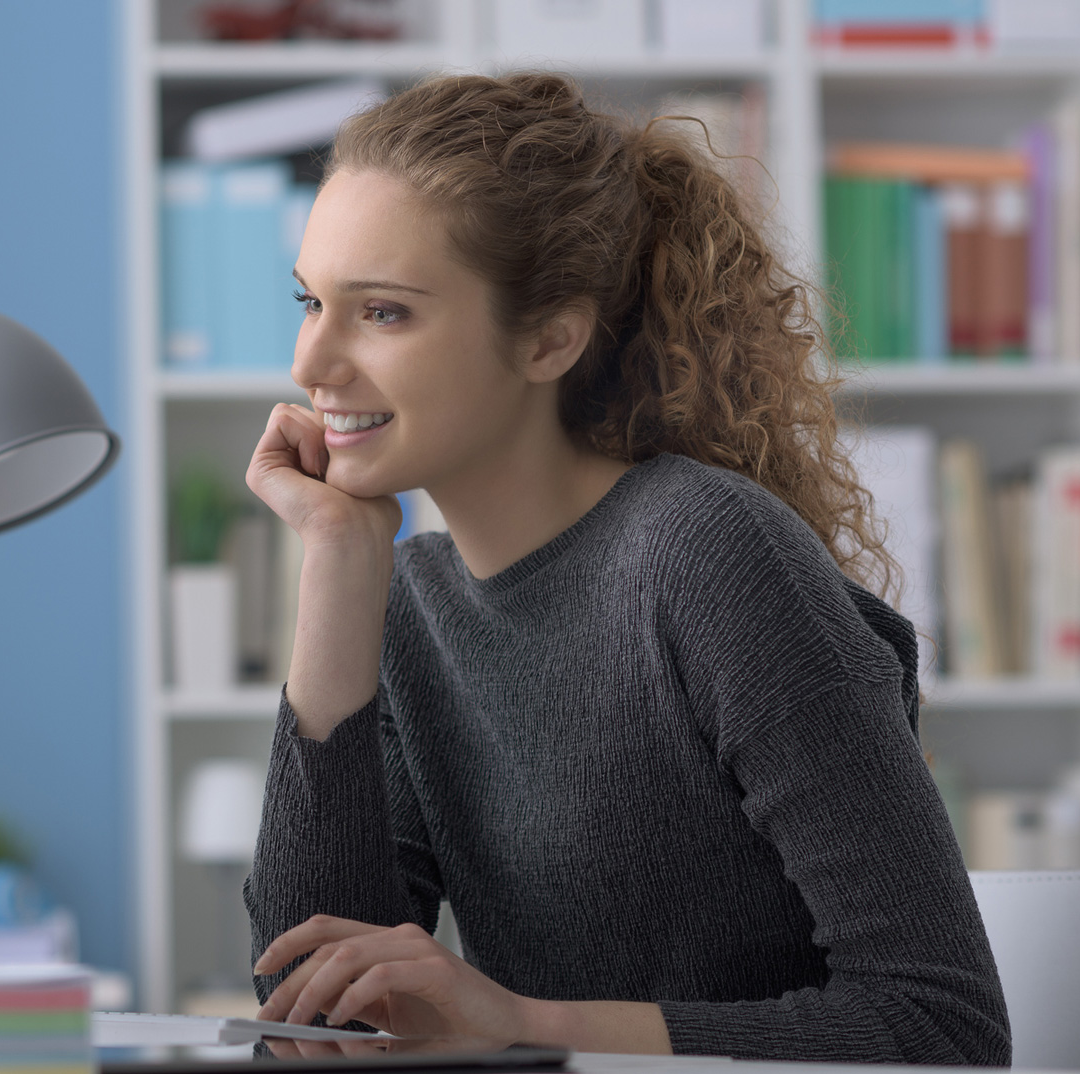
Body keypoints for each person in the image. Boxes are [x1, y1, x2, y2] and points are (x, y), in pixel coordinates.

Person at [241, 72, 1009, 1065]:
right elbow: (305, 1022)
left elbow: (941, 1029)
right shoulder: (406, 606)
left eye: (381, 312)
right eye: (311, 301)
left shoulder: (707, 555)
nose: (312, 360)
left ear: (549, 337)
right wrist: (341, 563)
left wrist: (526, 1027)